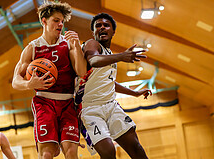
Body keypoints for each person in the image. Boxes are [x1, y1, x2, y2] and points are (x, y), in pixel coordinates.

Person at [12, 1, 86, 159]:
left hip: (68, 102)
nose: (60, 24)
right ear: (43, 21)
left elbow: (81, 71)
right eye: (56, 20)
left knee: (71, 152)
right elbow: (15, 81)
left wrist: (78, 47)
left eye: (62, 21)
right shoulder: (32, 48)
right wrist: (29, 84)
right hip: (44, 102)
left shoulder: (68, 45)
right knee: (46, 154)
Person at [79, 13, 152, 159]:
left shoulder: (109, 54)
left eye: (106, 25)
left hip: (111, 106)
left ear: (113, 31)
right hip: (90, 109)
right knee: (108, 152)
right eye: (98, 26)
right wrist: (121, 57)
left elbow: (110, 82)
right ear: (93, 32)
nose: (102, 27)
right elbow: (93, 60)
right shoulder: (92, 44)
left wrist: (135, 93)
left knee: (136, 148)